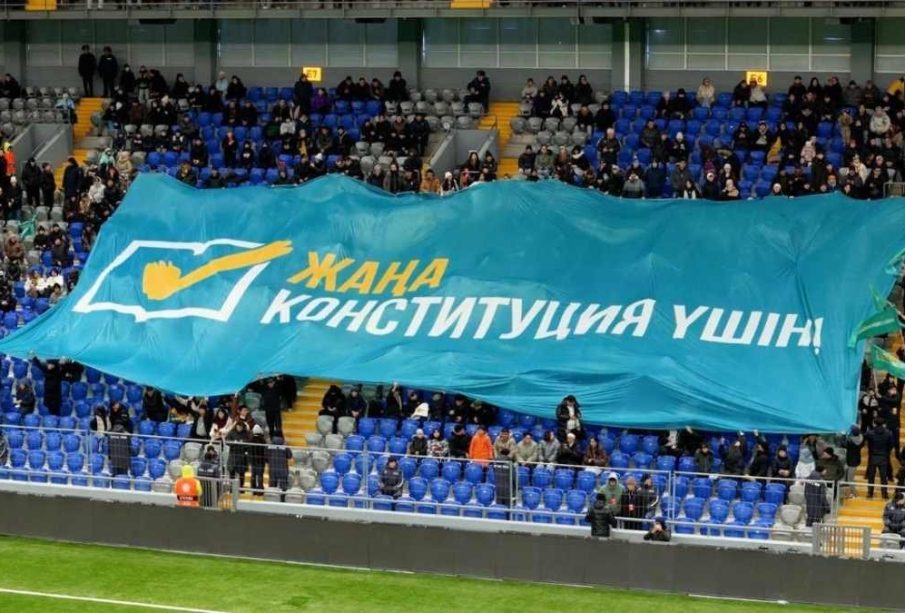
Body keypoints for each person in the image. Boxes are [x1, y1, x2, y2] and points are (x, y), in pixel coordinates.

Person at [865, 418, 895, 499]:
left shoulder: (870, 433)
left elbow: (865, 439)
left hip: (873, 457)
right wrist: (887, 452)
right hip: (883, 457)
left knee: (871, 476)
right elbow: (891, 445)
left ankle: (870, 493)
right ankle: (884, 494)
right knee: (883, 477)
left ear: (874, 423)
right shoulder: (889, 433)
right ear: (883, 424)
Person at [226, 420, 250, 488]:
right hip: (233, 454)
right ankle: (231, 487)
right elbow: (227, 441)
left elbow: (249, 442)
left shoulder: (245, 434)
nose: (239, 428)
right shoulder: (231, 432)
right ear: (236, 426)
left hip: (242, 455)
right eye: (238, 426)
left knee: (242, 473)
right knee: (232, 472)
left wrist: (243, 442)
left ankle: (241, 487)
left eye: (241, 427)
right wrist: (234, 442)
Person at [248, 424, 267, 496]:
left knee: (253, 475)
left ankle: (253, 490)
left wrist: (250, 460)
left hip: (253, 461)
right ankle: (260, 490)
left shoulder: (251, 440)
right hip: (261, 461)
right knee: (260, 476)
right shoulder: (263, 440)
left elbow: (249, 451)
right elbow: (265, 451)